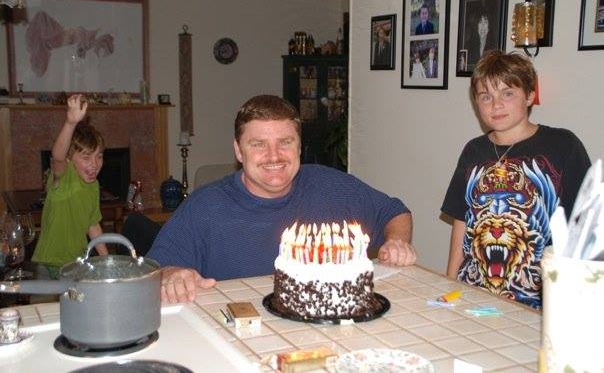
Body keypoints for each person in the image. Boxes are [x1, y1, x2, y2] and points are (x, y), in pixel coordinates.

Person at [148, 95, 416, 304]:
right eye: (259, 144)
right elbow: (153, 271)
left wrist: (397, 242)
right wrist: (171, 276)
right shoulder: (205, 207)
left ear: (299, 147)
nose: (274, 156)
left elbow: (394, 212)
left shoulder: (330, 186)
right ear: (238, 151)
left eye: (285, 142)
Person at [441, 51, 591, 309]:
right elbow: (461, 222)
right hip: (473, 295)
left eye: (507, 93)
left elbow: (585, 229)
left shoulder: (563, 146)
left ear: (530, 95)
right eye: (485, 96)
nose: (496, 104)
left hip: (540, 303)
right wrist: (450, 282)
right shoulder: (473, 151)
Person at [32, 94, 108, 279]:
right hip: (51, 264)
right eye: (86, 157)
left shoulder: (93, 185)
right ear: (70, 159)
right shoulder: (66, 178)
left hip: (76, 262)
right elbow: (58, 156)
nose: (95, 164)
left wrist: (107, 260)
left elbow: (92, 224)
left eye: (99, 156)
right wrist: (70, 123)